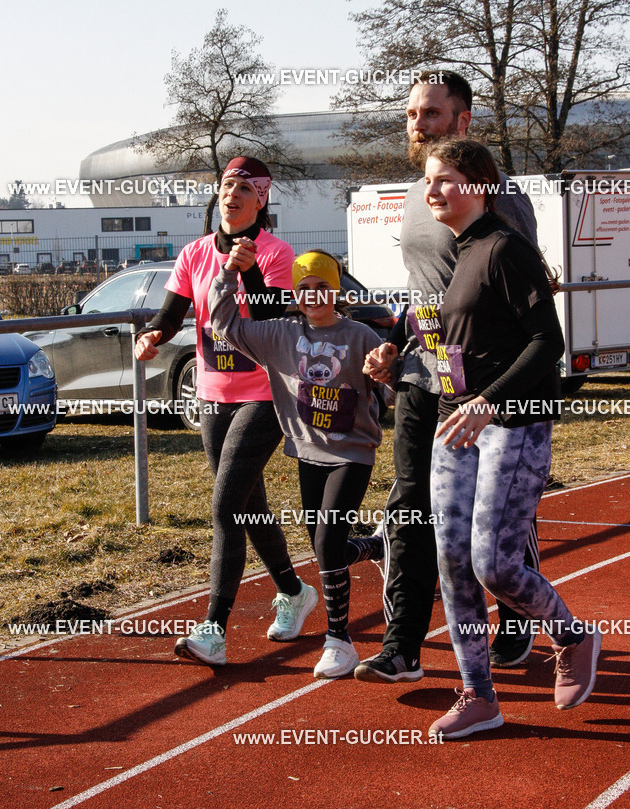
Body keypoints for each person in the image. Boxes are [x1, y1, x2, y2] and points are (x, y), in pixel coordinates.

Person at [355, 71, 541, 683]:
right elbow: (425, 293)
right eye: (411, 113)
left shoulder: (498, 196)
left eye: (431, 114)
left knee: (499, 515)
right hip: (420, 374)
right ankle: (403, 647)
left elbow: (523, 294)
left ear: (462, 120)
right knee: (412, 506)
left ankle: (516, 621)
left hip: (482, 386)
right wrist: (392, 344)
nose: (416, 123)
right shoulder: (416, 194)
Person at [420, 137, 601, 737]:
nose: (432, 191)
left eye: (444, 179)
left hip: (512, 423)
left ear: (477, 183)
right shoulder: (460, 251)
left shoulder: (504, 248)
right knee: (452, 563)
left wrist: (489, 402)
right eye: (428, 181)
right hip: (456, 426)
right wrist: (398, 363)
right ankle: (479, 698)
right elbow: (465, 347)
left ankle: (572, 636)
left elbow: (547, 343)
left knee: (493, 563)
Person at [134, 156, 317, 666]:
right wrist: (153, 333)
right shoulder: (193, 253)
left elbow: (268, 318)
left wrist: (249, 268)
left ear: (262, 199)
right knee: (245, 503)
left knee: (223, 505)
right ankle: (294, 590)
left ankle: (213, 628)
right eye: (225, 185)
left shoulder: (279, 254)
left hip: (265, 392)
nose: (231, 195)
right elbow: (170, 312)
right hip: (213, 394)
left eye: (243, 188)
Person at [208, 247, 385, 678]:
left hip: (352, 453)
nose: (312, 295)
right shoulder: (281, 334)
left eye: (322, 287)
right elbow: (225, 324)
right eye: (303, 288)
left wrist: (389, 369)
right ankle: (376, 546)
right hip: (307, 451)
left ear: (337, 291)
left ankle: (339, 641)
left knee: (326, 541)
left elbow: (395, 384)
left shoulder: (361, 336)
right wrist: (229, 273)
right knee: (328, 547)